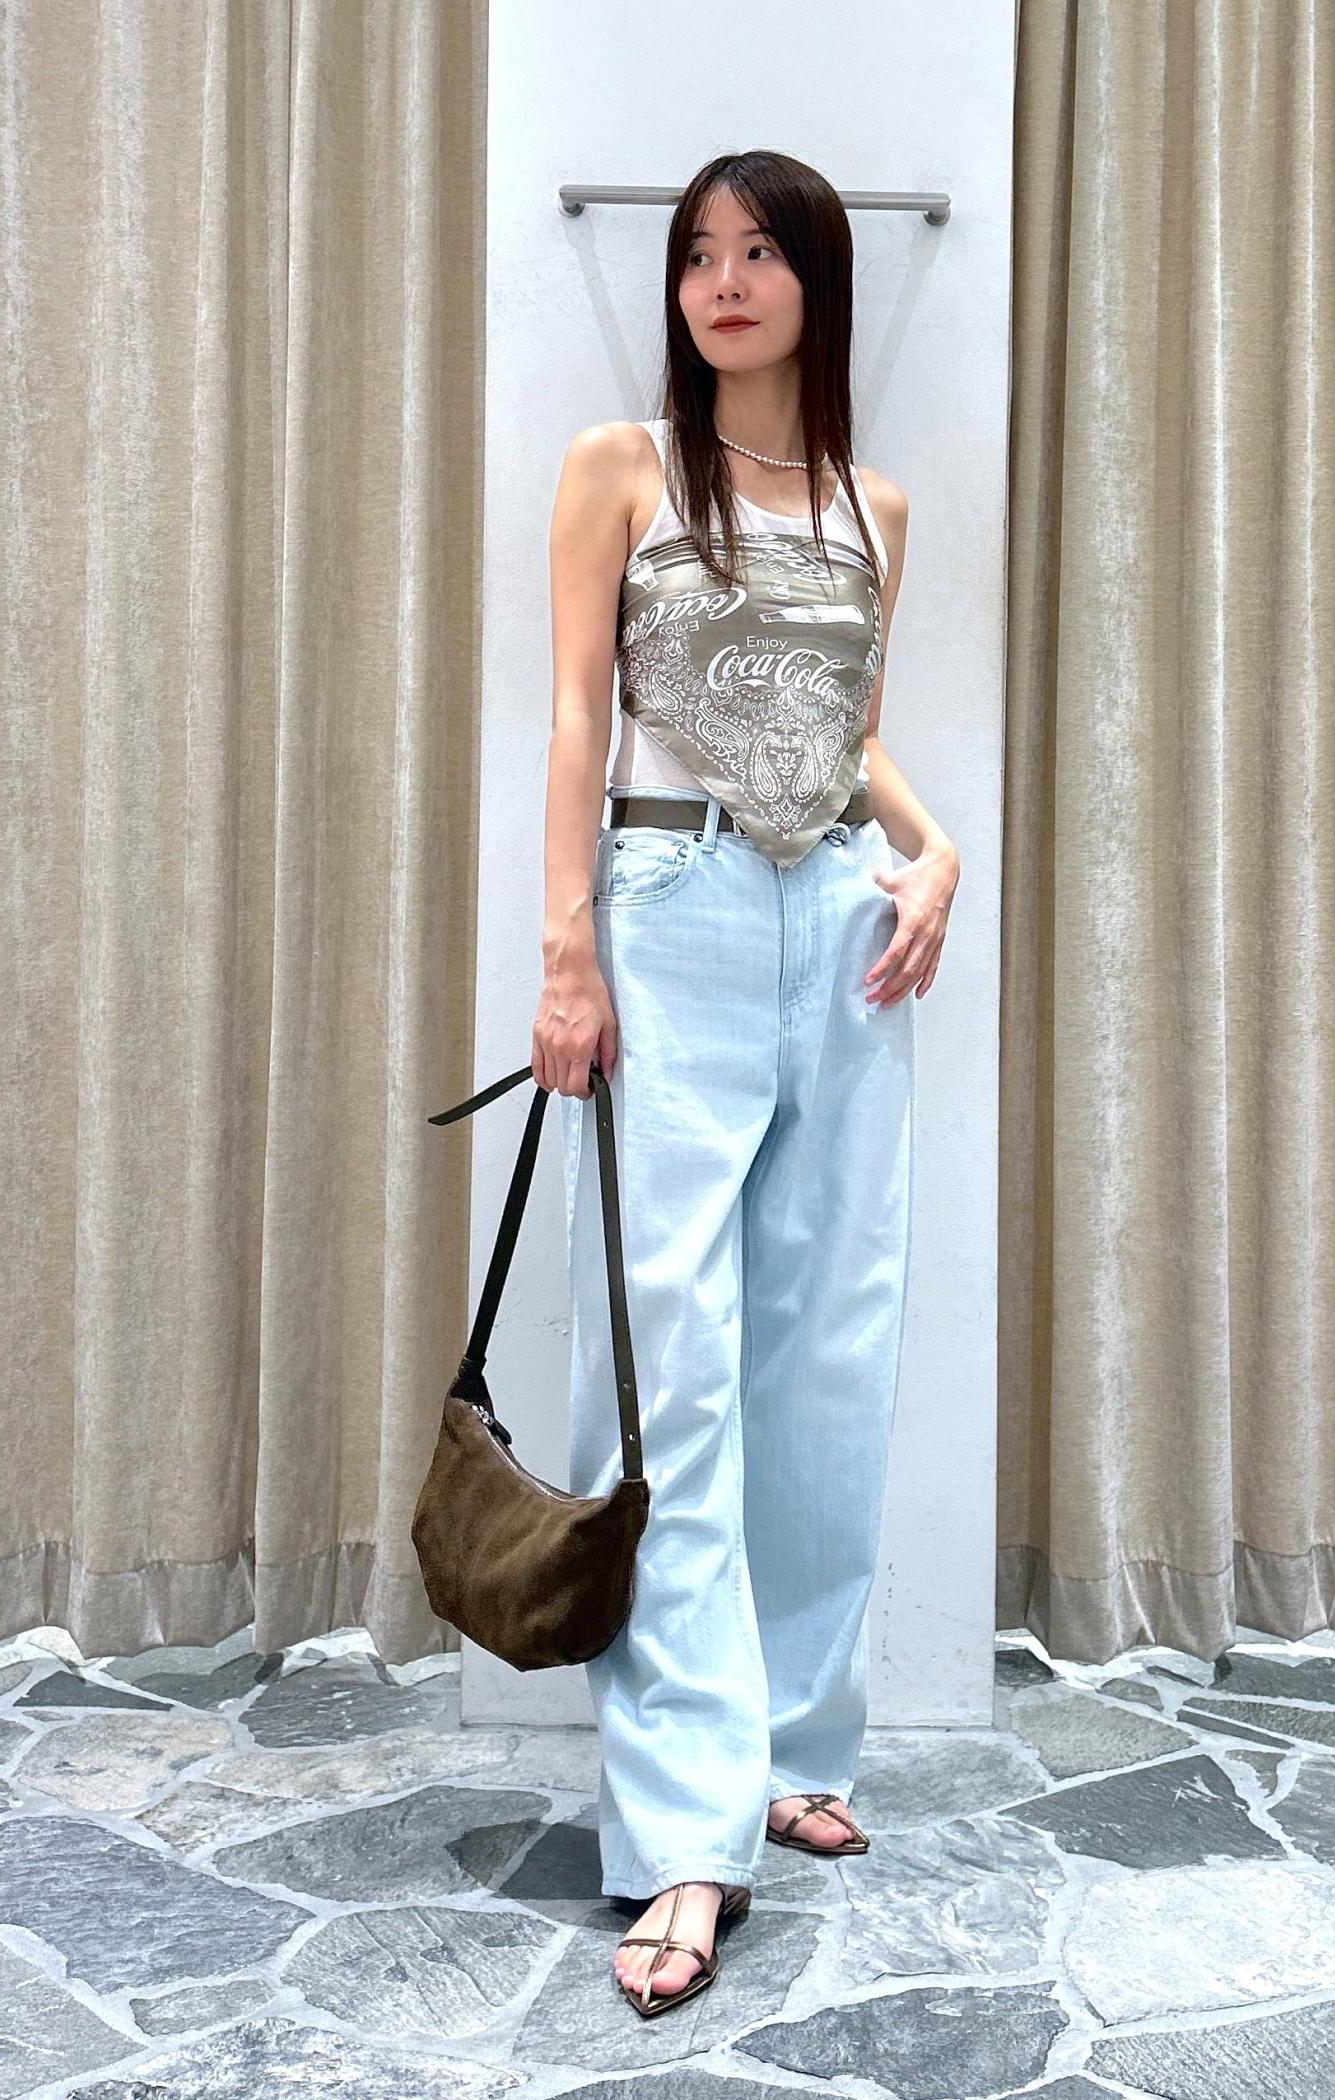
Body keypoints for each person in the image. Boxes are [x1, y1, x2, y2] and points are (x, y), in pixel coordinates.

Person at [533, 150, 959, 2017]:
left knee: (830, 1346)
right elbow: (579, 712)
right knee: (672, 1364)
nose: (721, 280)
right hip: (672, 910)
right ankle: (683, 1831)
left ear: (816, 282)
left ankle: (793, 1746)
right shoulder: (621, 469)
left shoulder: (873, 504)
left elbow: (847, 733)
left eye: (759, 251)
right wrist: (565, 947)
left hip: (847, 924)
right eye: (698, 253)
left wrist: (937, 850)